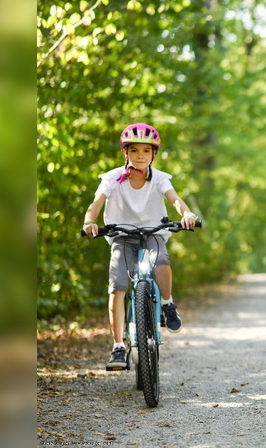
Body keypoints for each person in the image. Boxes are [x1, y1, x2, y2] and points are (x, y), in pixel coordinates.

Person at [82, 123, 199, 369]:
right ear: (126, 153)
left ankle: (167, 304)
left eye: (146, 151)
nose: (140, 156)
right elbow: (96, 202)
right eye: (134, 151)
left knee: (162, 264)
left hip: (153, 232)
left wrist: (187, 214)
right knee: (118, 287)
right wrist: (89, 221)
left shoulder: (159, 179)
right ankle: (117, 346)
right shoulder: (113, 178)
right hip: (122, 236)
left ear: (153, 154)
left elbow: (175, 200)